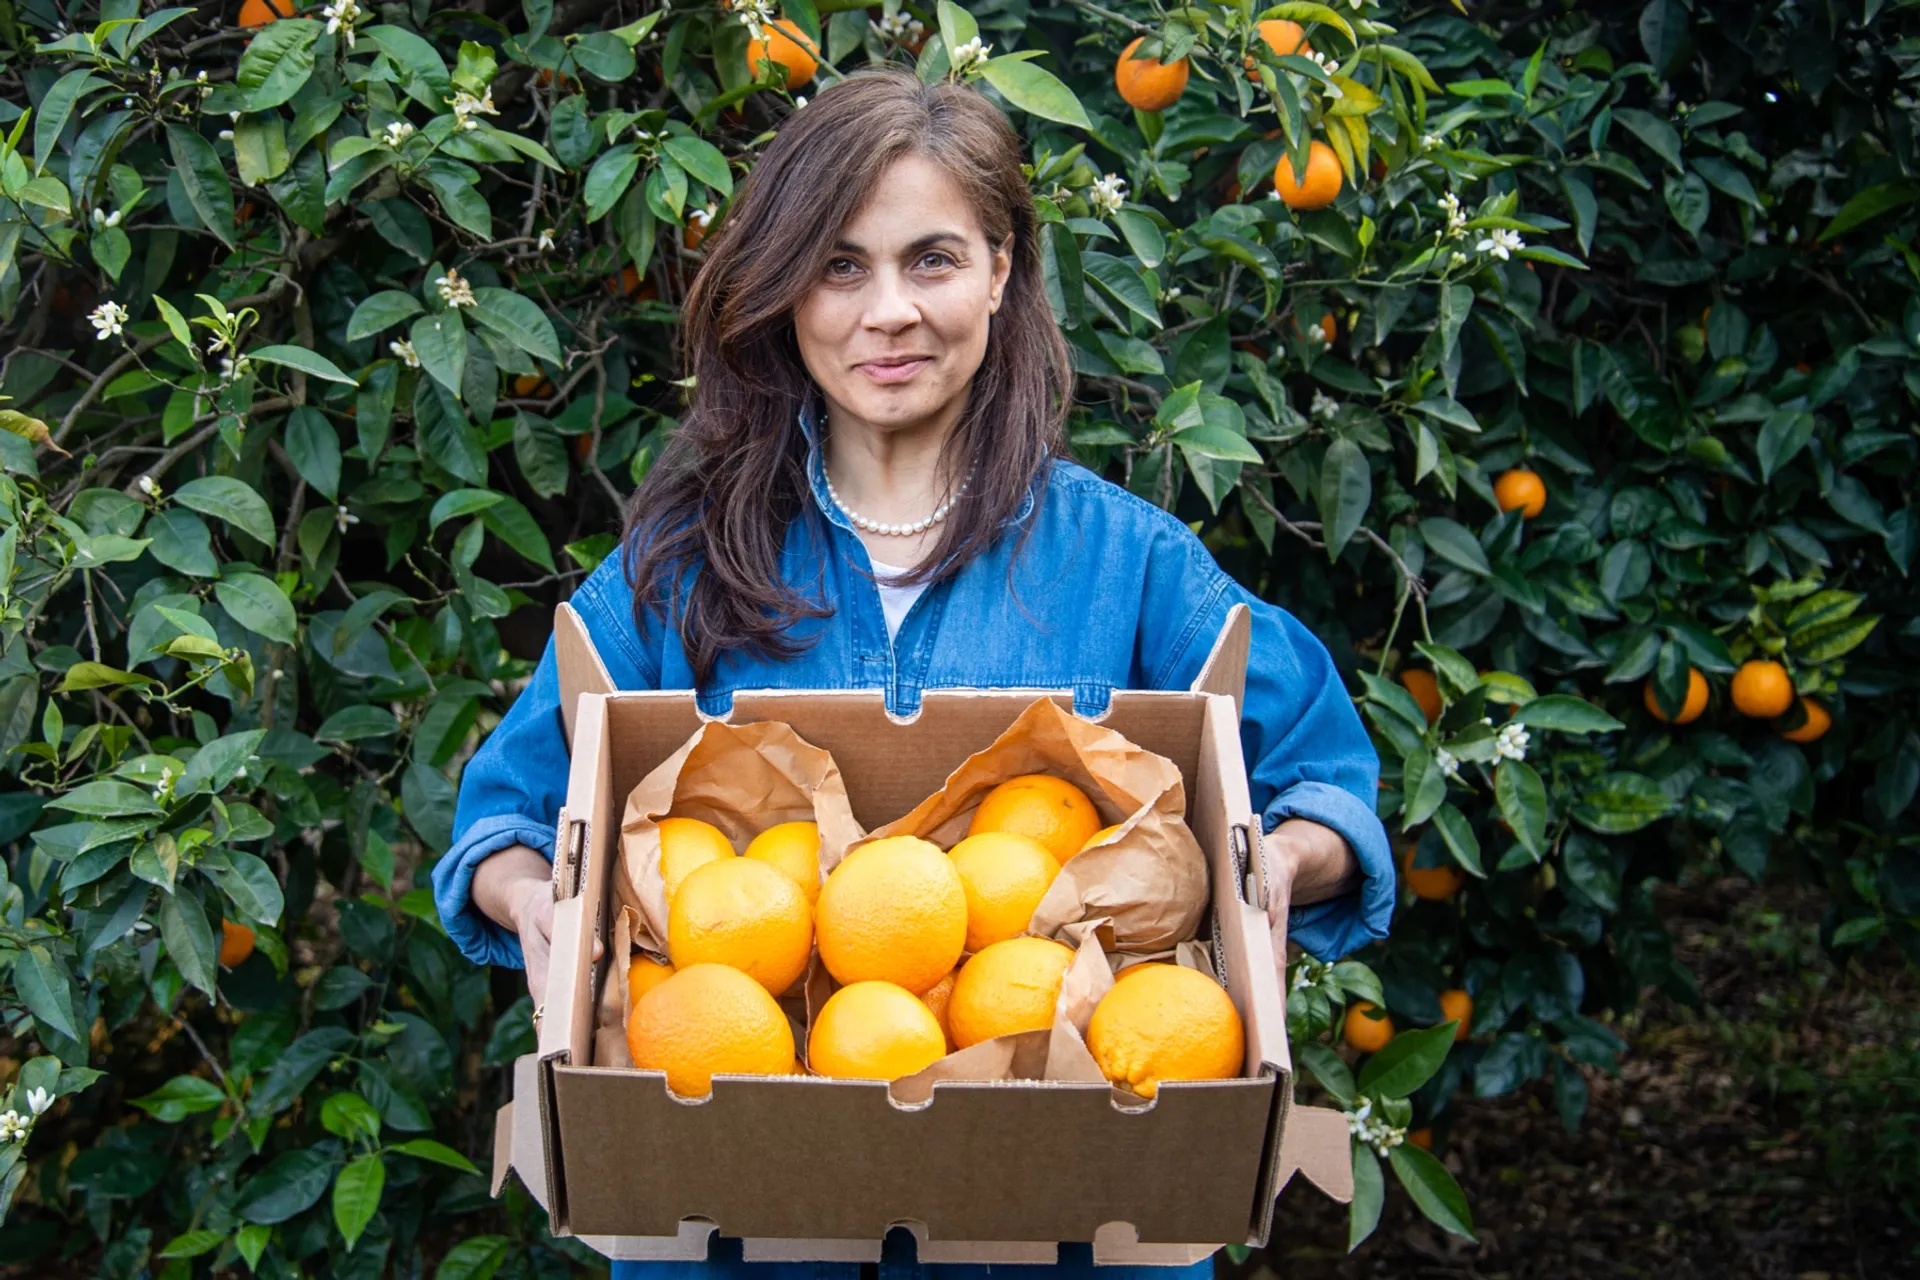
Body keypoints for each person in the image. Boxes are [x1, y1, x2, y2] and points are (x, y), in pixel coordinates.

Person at [434, 65, 1393, 1280]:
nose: (888, 310)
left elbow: (1318, 771)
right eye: (841, 266)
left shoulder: (1124, 559)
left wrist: (1281, 863)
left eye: (931, 259)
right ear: (785, 291)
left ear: (1001, 270)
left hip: (1067, 1226)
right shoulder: (677, 567)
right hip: (737, 1224)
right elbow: (510, 815)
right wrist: (537, 901)